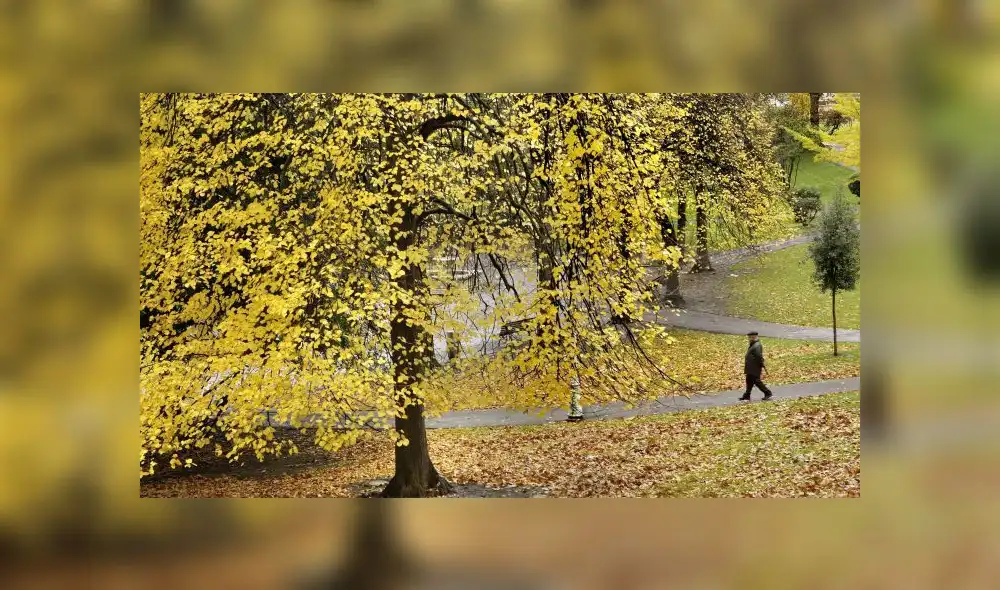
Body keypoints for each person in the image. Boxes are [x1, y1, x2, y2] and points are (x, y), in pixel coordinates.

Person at [739, 331, 772, 401]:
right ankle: (747, 395)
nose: (749, 338)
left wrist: (760, 364)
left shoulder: (757, 345)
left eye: (750, 337)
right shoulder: (754, 344)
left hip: (754, 366)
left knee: (756, 381)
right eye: (749, 337)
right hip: (751, 366)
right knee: (749, 380)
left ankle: (767, 392)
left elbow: (758, 356)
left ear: (754, 337)